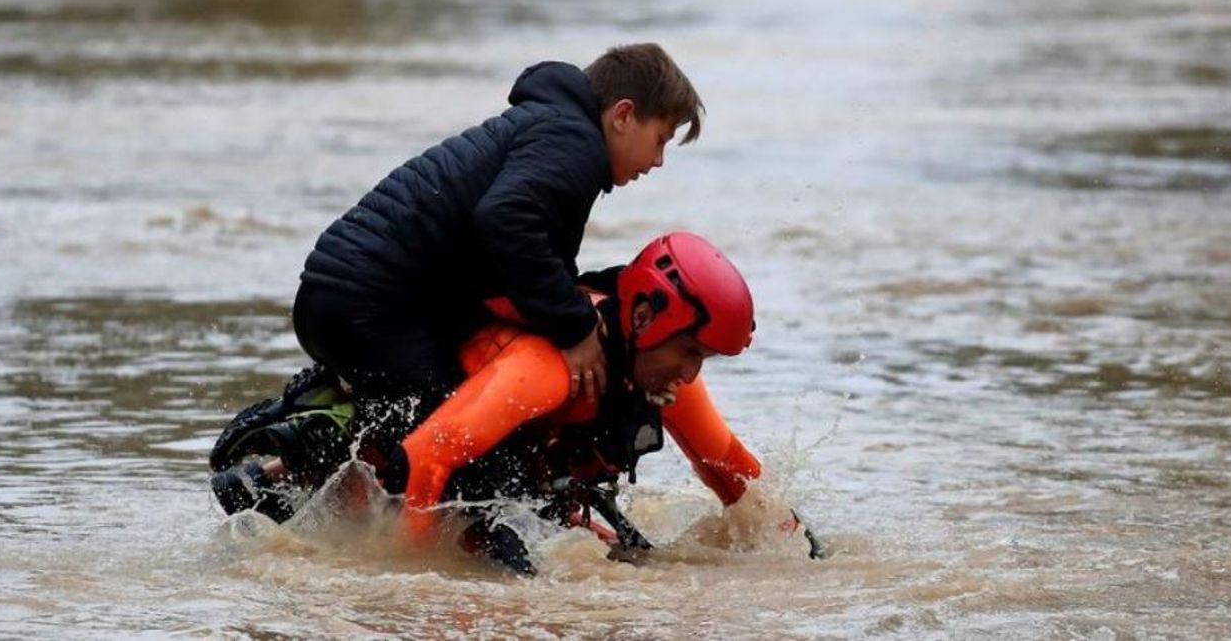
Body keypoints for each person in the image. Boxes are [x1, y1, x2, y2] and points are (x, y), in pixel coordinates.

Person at [211, 232, 821, 573]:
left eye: (704, 361)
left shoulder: (661, 375)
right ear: (641, 316)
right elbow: (424, 461)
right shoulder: (545, 370)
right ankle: (276, 468)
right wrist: (419, 582)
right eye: (688, 352)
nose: (690, 373)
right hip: (404, 477)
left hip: (503, 489)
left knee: (633, 567)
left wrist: (807, 550)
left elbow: (732, 471)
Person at [292, 43, 703, 449]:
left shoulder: (555, 128)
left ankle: (284, 468)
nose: (658, 161)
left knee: (435, 426)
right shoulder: (574, 142)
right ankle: (313, 476)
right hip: (369, 306)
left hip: (340, 298)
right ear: (624, 115)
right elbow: (505, 219)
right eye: (661, 139)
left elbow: (531, 258)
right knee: (466, 446)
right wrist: (575, 327)